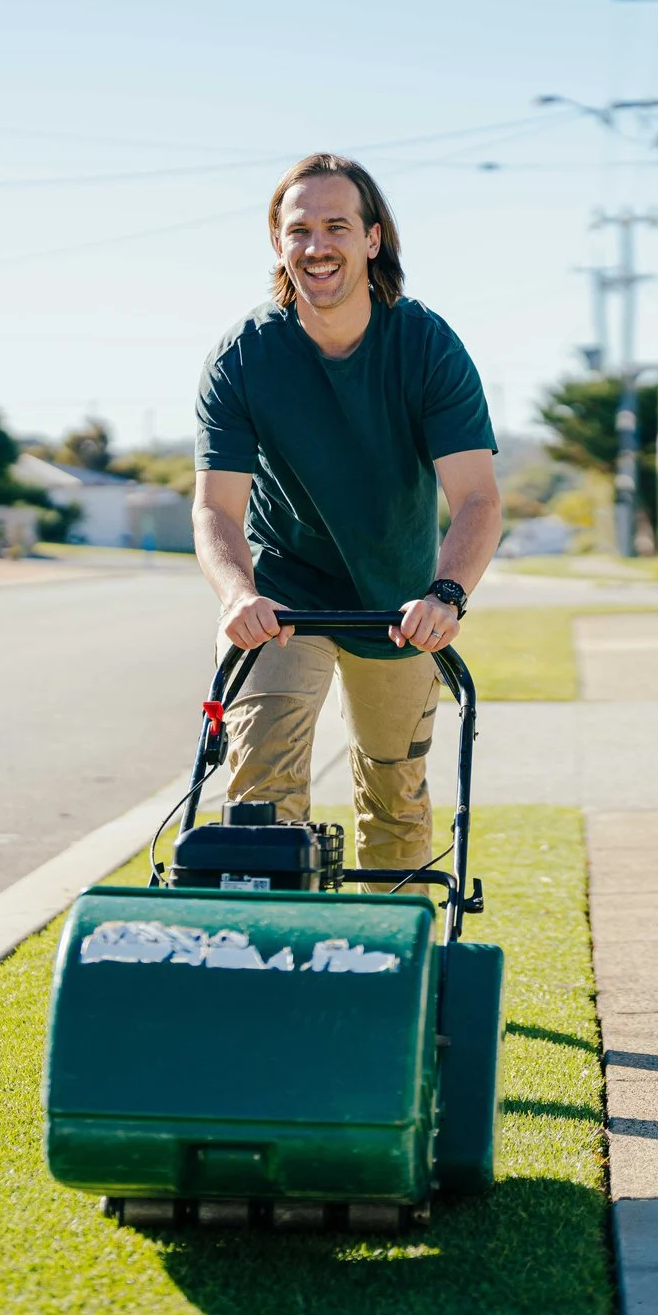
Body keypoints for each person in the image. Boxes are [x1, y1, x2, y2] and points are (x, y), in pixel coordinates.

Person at [191, 152, 501, 886]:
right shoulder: (243, 358)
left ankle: (394, 967)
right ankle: (269, 970)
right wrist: (238, 596)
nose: (317, 245)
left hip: (400, 601)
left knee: (395, 794)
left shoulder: (425, 346)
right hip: (283, 598)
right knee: (261, 791)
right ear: (278, 243)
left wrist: (446, 595)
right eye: (298, 229)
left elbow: (480, 499)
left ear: (372, 238)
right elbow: (215, 507)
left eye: (336, 225)